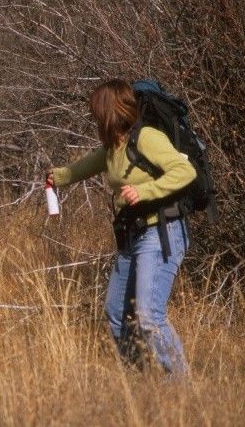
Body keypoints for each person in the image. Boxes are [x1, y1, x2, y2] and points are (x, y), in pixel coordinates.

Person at [46, 79, 196, 376]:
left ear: (108, 112)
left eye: (97, 112)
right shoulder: (114, 147)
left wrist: (146, 191)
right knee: (116, 314)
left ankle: (182, 388)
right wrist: (57, 177)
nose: (94, 118)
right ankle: (140, 380)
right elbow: (82, 167)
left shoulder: (147, 138)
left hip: (161, 234)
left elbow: (185, 171)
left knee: (149, 317)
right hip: (132, 236)